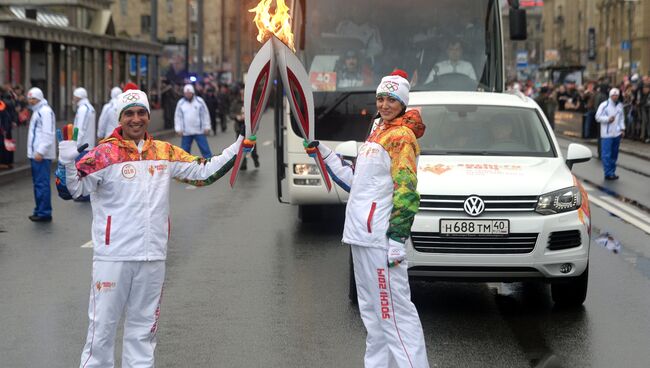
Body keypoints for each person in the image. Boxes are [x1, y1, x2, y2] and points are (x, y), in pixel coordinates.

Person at [58, 89, 254, 367]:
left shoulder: (163, 152)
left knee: (143, 331)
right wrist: (66, 163)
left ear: (148, 116)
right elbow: (72, 190)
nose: (136, 119)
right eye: (129, 114)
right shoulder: (104, 153)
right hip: (114, 257)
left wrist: (238, 148)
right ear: (121, 118)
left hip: (153, 257)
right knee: (101, 332)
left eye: (141, 113)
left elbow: (203, 172)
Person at [305, 70, 429, 367]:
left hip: (381, 239)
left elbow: (406, 190)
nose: (384, 104)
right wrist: (324, 153)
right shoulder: (377, 130)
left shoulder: (401, 138)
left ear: (402, 102)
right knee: (373, 317)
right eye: (381, 98)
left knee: (394, 317)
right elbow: (357, 182)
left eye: (391, 99)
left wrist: (398, 238)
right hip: (361, 234)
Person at [26, 87, 56, 222]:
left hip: (41, 155)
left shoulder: (45, 111)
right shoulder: (37, 111)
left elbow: (48, 134)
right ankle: (39, 210)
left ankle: (44, 212)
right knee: (38, 183)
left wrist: (40, 151)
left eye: (33, 98)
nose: (30, 101)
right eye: (29, 98)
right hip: (36, 154)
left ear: (39, 98)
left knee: (41, 184)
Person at [174, 84, 212, 158]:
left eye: (189, 93)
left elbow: (205, 114)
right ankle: (185, 167)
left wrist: (207, 127)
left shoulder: (200, 101)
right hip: (186, 132)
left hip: (199, 131)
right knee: (184, 153)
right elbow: (177, 117)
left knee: (206, 150)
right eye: (186, 93)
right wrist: (178, 129)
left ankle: (210, 164)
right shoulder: (181, 103)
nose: (187, 94)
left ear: (193, 93)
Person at [596, 88, 625, 180]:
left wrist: (622, 129)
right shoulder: (604, 105)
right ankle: (608, 173)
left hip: (616, 134)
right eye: (613, 95)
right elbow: (597, 117)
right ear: (610, 95)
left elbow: (621, 118)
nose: (615, 97)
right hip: (607, 134)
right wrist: (608, 119)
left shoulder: (620, 106)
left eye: (617, 95)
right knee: (606, 154)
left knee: (614, 154)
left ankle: (612, 172)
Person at [231, 87, 259, 170]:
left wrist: (248, 117)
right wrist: (237, 117)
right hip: (239, 127)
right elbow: (231, 113)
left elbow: (256, 112)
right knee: (240, 147)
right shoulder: (236, 103)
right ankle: (243, 164)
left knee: (251, 145)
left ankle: (255, 158)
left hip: (250, 127)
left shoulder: (251, 102)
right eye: (242, 94)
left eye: (244, 94)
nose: (243, 96)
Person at [73, 87, 96, 151]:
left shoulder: (83, 109)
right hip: (87, 147)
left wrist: (75, 146)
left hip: (82, 148)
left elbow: (80, 129)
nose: (73, 98)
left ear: (78, 97)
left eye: (74, 96)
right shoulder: (89, 107)